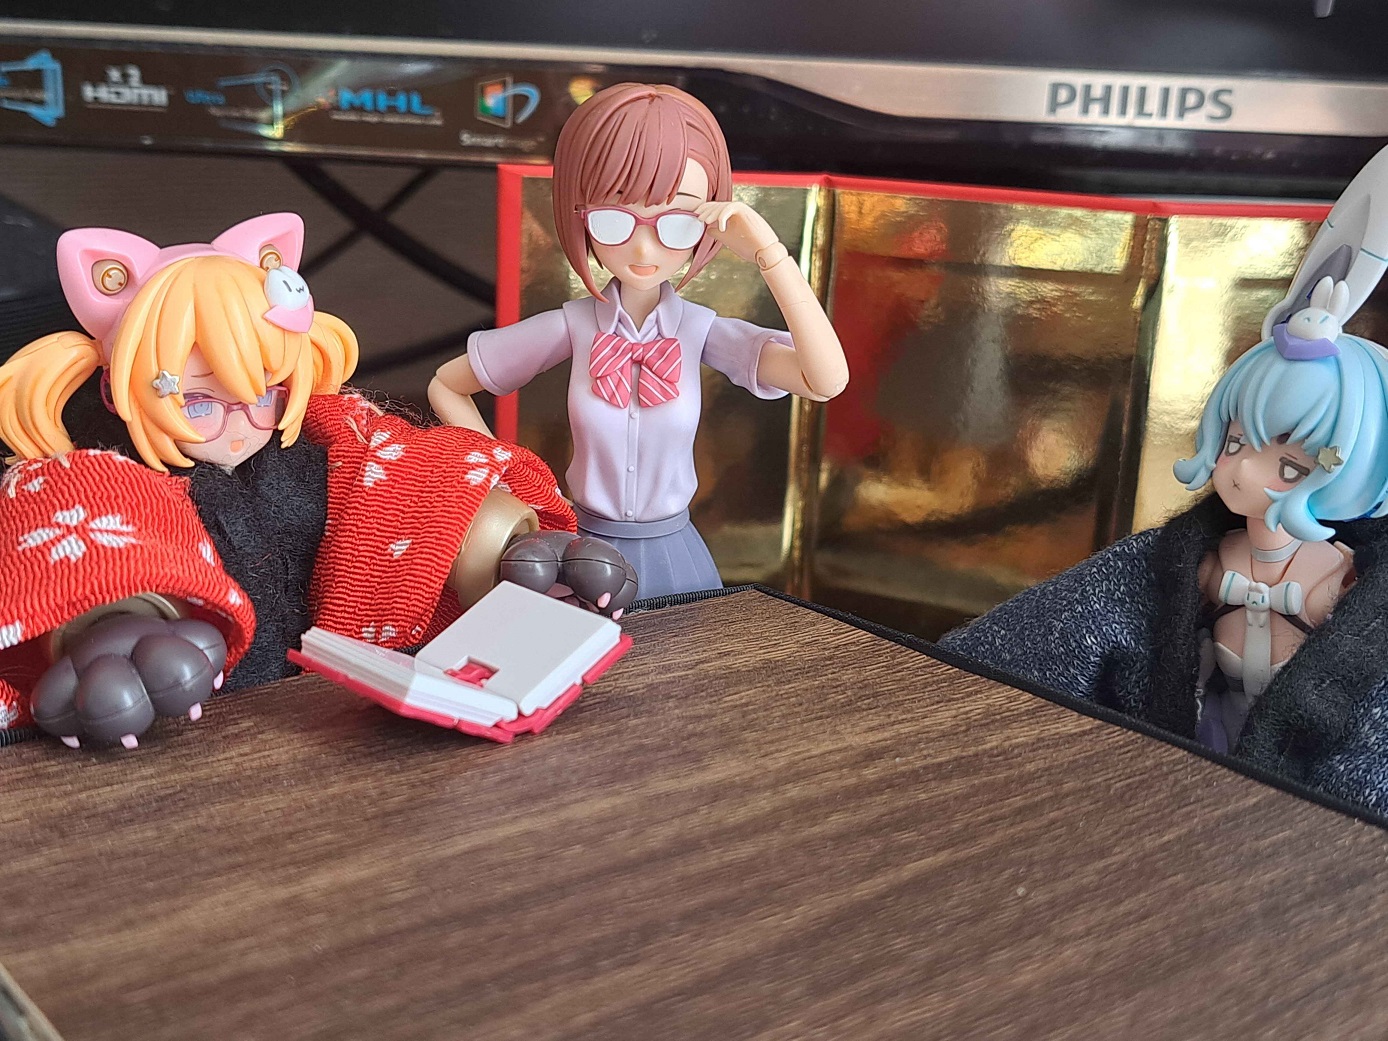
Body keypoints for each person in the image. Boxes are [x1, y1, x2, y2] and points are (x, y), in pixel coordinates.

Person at [0, 214, 633, 749]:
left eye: (264, 395)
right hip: (196, 739)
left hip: (344, 724)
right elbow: (78, 531)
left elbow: (409, 481)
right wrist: (113, 625)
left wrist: (498, 544)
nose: (238, 426)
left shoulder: (330, 444)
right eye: (197, 402)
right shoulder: (103, 478)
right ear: (118, 393)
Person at [941, 145, 1388, 813]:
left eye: (1289, 464)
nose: (1241, 469)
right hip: (1197, 745)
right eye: (1234, 441)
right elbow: (1094, 619)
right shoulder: (1199, 561)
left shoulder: (1339, 579)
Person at [429, 83, 849, 598]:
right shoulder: (573, 325)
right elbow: (447, 385)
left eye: (676, 223)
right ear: (580, 214)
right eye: (614, 219)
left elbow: (824, 381)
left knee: (682, 652)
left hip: (674, 556)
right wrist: (514, 488)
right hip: (581, 551)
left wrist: (770, 254)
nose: (645, 248)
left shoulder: (699, 330)